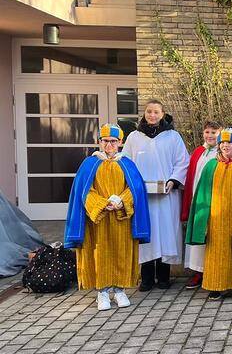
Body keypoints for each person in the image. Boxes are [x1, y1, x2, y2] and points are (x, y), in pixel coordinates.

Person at [64, 124, 150, 310]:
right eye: (105, 141)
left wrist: (121, 201)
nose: (109, 145)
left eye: (113, 141)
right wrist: (103, 204)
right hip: (98, 220)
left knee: (121, 252)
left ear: (120, 142)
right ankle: (102, 293)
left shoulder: (127, 164)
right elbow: (84, 191)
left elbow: (135, 189)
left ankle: (120, 290)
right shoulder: (89, 164)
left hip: (121, 218)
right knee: (100, 253)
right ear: (99, 142)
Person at [122, 99, 189, 291]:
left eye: (156, 112)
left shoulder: (172, 136)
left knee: (165, 233)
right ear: (144, 114)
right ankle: (147, 278)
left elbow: (182, 162)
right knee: (146, 232)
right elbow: (126, 162)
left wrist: (174, 180)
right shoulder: (134, 137)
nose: (152, 115)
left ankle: (164, 276)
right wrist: (133, 185)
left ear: (163, 114)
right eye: (149, 111)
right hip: (142, 197)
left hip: (167, 195)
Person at [185, 128, 232, 301]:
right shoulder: (211, 166)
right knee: (215, 252)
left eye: (230, 143)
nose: (226, 146)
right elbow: (203, 194)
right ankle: (215, 285)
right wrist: (203, 220)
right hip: (215, 219)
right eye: (223, 143)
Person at [180, 120, 222, 289]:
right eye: (207, 132)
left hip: (213, 200)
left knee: (212, 237)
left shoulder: (222, 153)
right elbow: (191, 177)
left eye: (214, 132)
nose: (210, 136)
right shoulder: (198, 152)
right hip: (197, 200)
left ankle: (212, 270)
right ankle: (198, 271)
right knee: (198, 235)